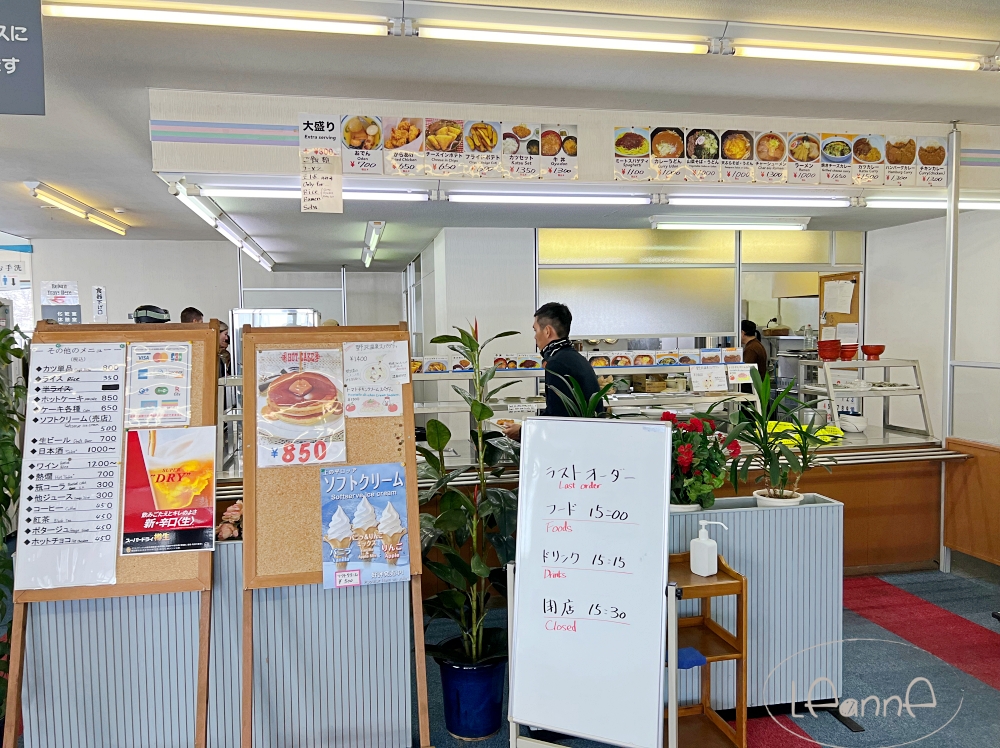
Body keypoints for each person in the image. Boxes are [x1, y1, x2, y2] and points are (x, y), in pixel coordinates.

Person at [502, 302, 602, 440]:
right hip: (588, 438)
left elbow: (557, 419)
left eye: (535, 330)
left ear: (547, 331)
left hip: (572, 445)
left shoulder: (556, 364)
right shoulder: (575, 358)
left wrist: (522, 432)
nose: (535, 336)